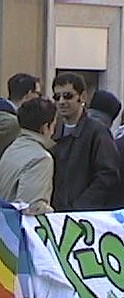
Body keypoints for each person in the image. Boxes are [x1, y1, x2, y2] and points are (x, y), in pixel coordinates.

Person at [51, 73, 120, 211]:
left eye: (68, 96)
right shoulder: (52, 131)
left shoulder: (98, 131)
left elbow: (107, 175)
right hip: (55, 217)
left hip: (83, 216)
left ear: (82, 97)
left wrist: (79, 208)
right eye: (57, 97)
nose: (62, 102)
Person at [0, 97, 57, 216]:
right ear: (45, 127)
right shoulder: (41, 158)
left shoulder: (12, 148)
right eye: (54, 125)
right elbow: (31, 208)